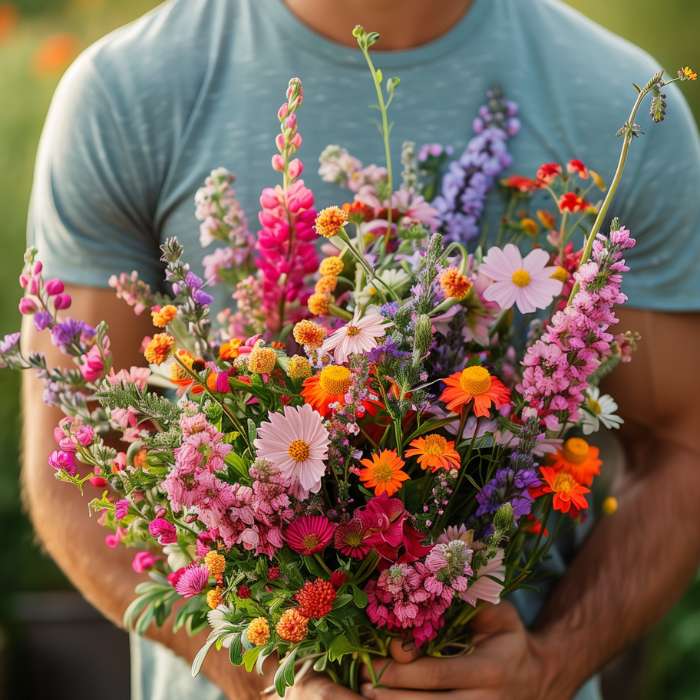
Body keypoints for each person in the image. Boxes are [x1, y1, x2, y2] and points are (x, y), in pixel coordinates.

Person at [22, 0, 700, 698]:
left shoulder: (614, 97)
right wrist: (267, 674)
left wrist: (551, 664)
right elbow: (70, 462)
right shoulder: (127, 89)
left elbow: (683, 444)